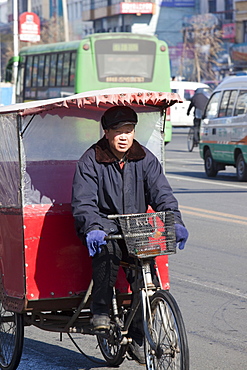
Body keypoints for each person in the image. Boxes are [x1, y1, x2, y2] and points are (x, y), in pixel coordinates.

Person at [71, 105, 188, 364]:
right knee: (107, 254)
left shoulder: (145, 159)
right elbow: (83, 202)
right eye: (118, 132)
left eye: (129, 131)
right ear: (107, 133)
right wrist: (92, 227)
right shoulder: (91, 159)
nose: (124, 137)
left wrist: (175, 221)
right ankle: (100, 310)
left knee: (145, 278)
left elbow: (163, 195)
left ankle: (136, 331)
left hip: (136, 231)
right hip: (104, 230)